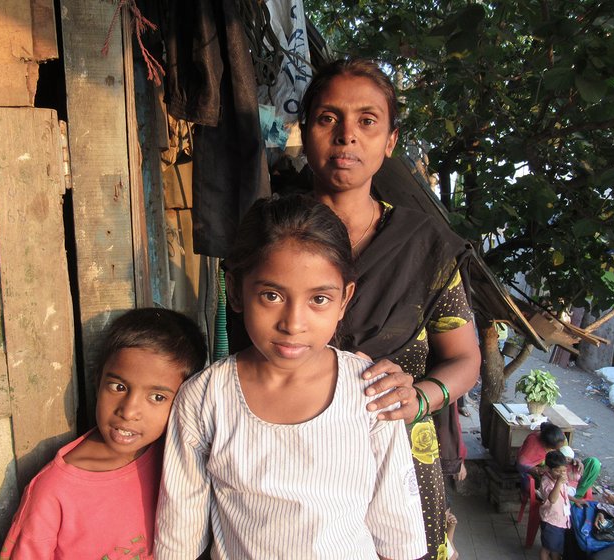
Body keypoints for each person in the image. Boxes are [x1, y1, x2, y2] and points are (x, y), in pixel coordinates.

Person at [154, 195, 427, 560]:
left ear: (344, 299)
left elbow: (398, 530)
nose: (293, 323)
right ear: (236, 290)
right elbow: (178, 535)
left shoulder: (370, 392)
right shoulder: (204, 399)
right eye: (271, 295)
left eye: (318, 300)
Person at [299, 57, 482, 559]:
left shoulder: (425, 246)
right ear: (305, 129)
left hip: (402, 462)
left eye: (366, 121)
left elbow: (465, 359)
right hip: (294, 456)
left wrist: (420, 397)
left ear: (390, 141)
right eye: (327, 118)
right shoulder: (273, 235)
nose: (346, 137)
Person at [0, 308, 207, 559]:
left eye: (157, 397)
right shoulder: (54, 490)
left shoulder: (176, 459)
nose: (129, 411)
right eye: (119, 387)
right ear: (98, 382)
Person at [539, 450, 572, 560]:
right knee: (546, 548)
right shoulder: (546, 481)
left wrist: (575, 500)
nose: (562, 474)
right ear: (548, 469)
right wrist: (559, 482)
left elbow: (563, 494)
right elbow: (552, 499)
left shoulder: (560, 478)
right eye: (558, 471)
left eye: (564, 470)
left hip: (561, 519)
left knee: (555, 547)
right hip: (551, 521)